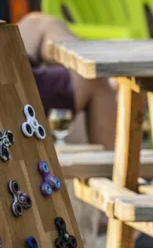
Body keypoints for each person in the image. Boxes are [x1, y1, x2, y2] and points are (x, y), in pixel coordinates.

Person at [15, 13, 117, 150]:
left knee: (38, 23)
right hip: (8, 88)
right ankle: (117, 169)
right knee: (95, 78)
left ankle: (93, 60)